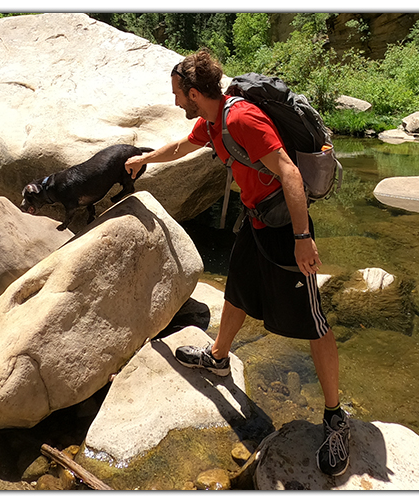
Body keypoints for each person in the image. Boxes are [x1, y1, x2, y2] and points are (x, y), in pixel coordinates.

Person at [124, 49, 349, 477]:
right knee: (238, 289)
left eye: (177, 95)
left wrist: (303, 239)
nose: (175, 102)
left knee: (313, 321)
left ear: (194, 93)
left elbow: (290, 173)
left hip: (285, 226)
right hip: (256, 219)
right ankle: (219, 356)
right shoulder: (212, 121)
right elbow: (181, 147)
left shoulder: (242, 118)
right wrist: (144, 159)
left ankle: (336, 417)